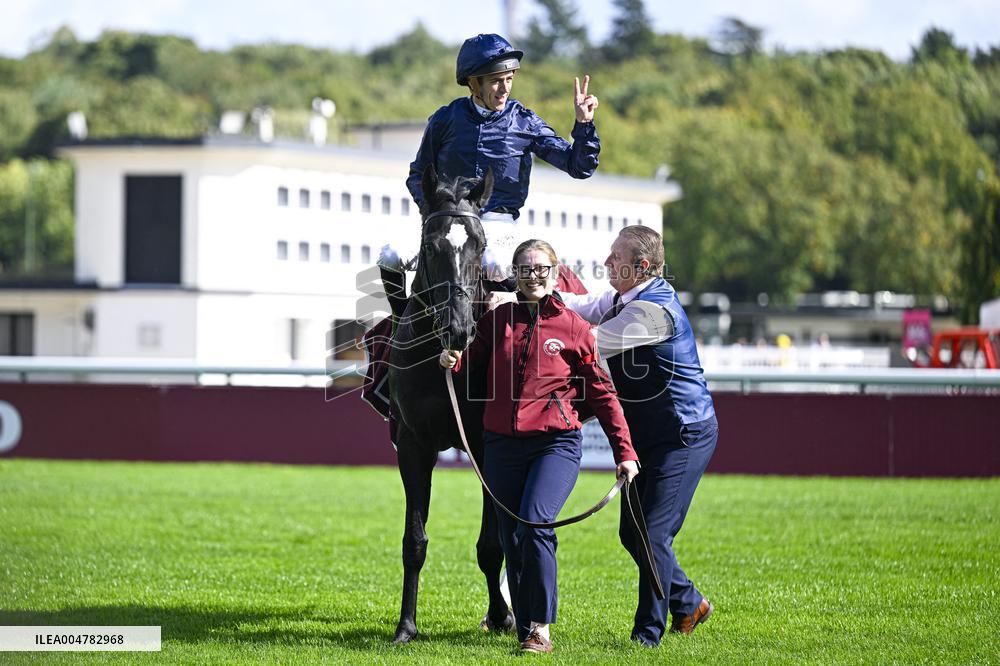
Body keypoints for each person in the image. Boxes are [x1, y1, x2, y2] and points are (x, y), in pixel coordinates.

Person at [440, 239, 639, 654]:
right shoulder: (498, 321)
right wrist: (452, 359)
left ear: (555, 273)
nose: (533, 276)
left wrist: (625, 452)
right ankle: (523, 624)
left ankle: (541, 629)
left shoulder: (575, 328)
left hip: (556, 446)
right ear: (515, 275)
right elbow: (470, 359)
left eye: (541, 269)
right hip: (501, 447)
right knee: (512, 535)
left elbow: (603, 395)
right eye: (525, 269)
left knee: (535, 522)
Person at [560, 225, 719, 647]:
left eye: (616, 257)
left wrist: (543, 319)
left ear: (642, 266)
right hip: (656, 434)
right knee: (633, 534)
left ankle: (647, 635)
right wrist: (541, 294)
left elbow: (589, 342)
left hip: (681, 435)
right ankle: (689, 603)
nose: (607, 262)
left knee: (651, 534)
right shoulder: (629, 297)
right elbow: (585, 305)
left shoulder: (650, 312)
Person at [379, 32, 599, 315]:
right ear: (474, 83)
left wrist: (584, 125)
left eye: (509, 78)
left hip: (498, 224)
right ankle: (401, 322)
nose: (504, 88)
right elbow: (417, 173)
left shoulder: (524, 121)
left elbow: (578, 167)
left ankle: (508, 340)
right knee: (389, 256)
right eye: (496, 80)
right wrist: (433, 211)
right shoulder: (445, 119)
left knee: (496, 265)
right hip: (449, 219)